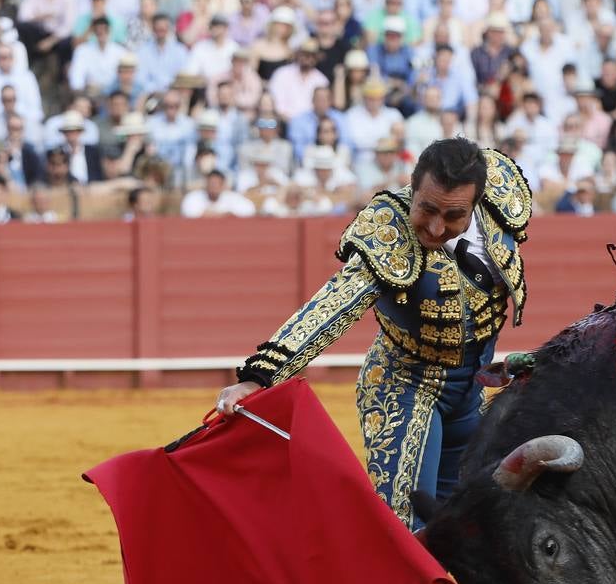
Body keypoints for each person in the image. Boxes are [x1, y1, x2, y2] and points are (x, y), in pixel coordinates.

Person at [216, 138, 530, 533]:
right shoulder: (388, 232)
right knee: (405, 531)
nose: (435, 227)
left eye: (453, 216)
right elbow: (335, 305)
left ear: (478, 202)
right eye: (426, 208)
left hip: (474, 392)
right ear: (412, 189)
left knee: (458, 533)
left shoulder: (501, 196)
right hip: (406, 388)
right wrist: (258, 376)